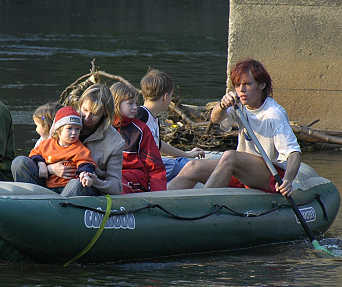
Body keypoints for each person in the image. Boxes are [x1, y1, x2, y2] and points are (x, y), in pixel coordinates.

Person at [167, 59, 302, 196]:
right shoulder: (239, 105)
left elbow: (294, 152)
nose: (241, 90)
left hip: (270, 175)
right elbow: (215, 119)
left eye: (247, 84)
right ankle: (161, 201)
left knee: (230, 157)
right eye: (237, 85)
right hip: (243, 170)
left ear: (262, 85)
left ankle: (203, 202)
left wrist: (288, 180)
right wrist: (222, 105)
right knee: (192, 167)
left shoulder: (273, 113)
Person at [39, 84, 125, 196]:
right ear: (80, 104)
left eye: (94, 114)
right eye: (85, 110)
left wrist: (95, 181)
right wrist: (50, 168)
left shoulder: (115, 142)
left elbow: (116, 187)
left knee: (76, 184)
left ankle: (58, 205)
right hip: (52, 180)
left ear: (105, 113)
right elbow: (43, 150)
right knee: (21, 162)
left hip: (85, 187)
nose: (87, 117)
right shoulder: (64, 119)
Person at [136, 68, 205, 180]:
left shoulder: (154, 119)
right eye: (171, 96)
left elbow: (158, 144)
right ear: (166, 97)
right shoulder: (141, 114)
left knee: (183, 161)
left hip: (152, 164)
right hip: (143, 168)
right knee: (184, 167)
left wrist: (187, 154)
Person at [11, 106, 97, 192]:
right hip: (47, 186)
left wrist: (84, 175)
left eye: (77, 129)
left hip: (67, 188)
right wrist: (41, 164)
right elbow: (35, 154)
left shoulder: (80, 149)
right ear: (58, 130)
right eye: (69, 128)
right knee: (19, 161)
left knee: (77, 183)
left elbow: (86, 164)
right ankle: (29, 197)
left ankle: (61, 200)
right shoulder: (46, 144)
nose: (74, 132)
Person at [110, 82, 167, 193]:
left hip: (134, 176)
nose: (135, 107)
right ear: (115, 103)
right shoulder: (104, 127)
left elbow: (155, 165)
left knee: (117, 182)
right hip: (109, 174)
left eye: (136, 103)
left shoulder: (141, 129)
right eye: (130, 103)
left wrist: (157, 194)